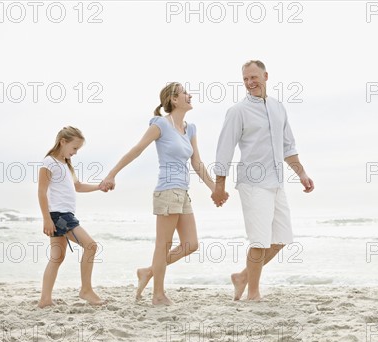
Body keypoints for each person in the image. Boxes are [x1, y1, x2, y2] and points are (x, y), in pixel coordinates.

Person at [100, 83, 227, 305]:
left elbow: (197, 163)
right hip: (167, 190)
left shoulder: (191, 128)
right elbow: (137, 150)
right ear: (174, 100)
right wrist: (112, 174)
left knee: (191, 244)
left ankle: (148, 271)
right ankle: (158, 294)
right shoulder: (160, 124)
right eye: (184, 92)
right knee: (163, 244)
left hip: (183, 192)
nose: (190, 95)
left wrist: (215, 189)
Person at [212, 60, 314, 301]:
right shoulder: (238, 111)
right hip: (253, 182)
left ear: (266, 76)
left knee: (281, 239)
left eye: (254, 77)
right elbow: (224, 149)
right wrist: (219, 185)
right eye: (246, 79)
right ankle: (253, 293)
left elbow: (288, 146)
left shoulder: (279, 108)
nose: (250, 83)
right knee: (259, 241)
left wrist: (301, 173)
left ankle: (242, 276)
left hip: (277, 181)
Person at [38, 126, 105, 308]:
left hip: (62, 215)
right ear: (63, 142)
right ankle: (86, 290)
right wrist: (47, 219)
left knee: (57, 257)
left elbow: (78, 186)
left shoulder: (66, 165)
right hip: (59, 215)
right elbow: (42, 192)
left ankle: (45, 300)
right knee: (91, 246)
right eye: (74, 148)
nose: (75, 153)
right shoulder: (49, 162)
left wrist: (99, 186)